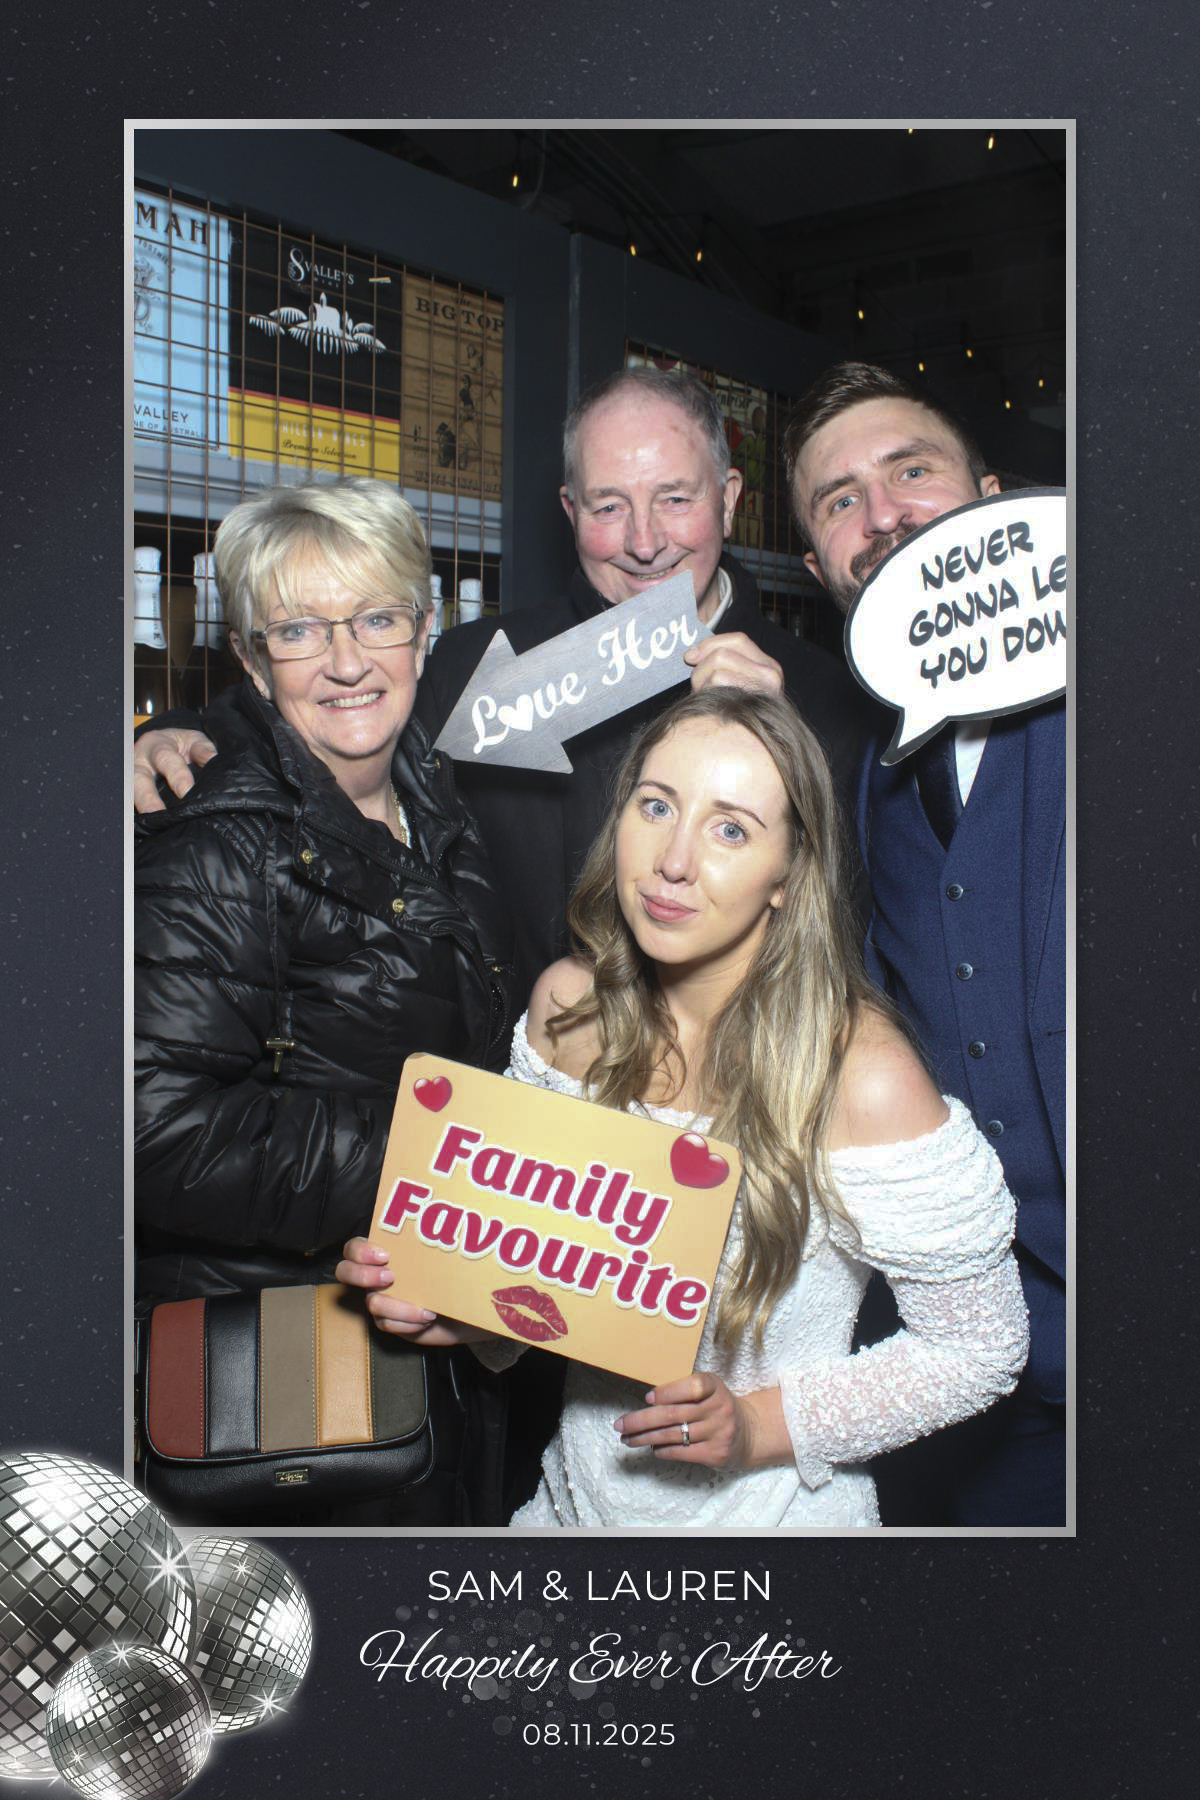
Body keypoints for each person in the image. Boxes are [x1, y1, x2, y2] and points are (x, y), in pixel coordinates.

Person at [337, 690, 1029, 1528]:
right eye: (656, 806)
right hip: (569, 1521)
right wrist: (455, 1302)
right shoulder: (568, 1013)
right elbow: (539, 1309)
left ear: (789, 876)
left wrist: (759, 1428)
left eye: (730, 828)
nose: (673, 860)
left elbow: (980, 1349)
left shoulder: (862, 1077)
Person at [133, 368, 880, 1005]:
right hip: (522, 1097)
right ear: (569, 511)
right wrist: (171, 735)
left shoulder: (823, 697)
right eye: (609, 505)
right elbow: (315, 712)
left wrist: (787, 753)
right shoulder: (477, 663)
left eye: (676, 498)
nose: (645, 540)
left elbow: (855, 933)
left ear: (729, 495)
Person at [135, 476, 512, 1525]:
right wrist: (444, 1167)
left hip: (428, 1348)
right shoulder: (220, 839)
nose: (347, 661)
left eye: (377, 618)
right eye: (299, 630)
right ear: (254, 660)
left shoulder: (430, 793)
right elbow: (159, 1134)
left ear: (425, 630)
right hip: (282, 1392)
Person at [784, 361, 1066, 1526]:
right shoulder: (864, 778)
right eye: (839, 499)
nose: (884, 511)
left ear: (998, 504)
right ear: (817, 566)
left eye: (913, 472)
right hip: (985, 1358)